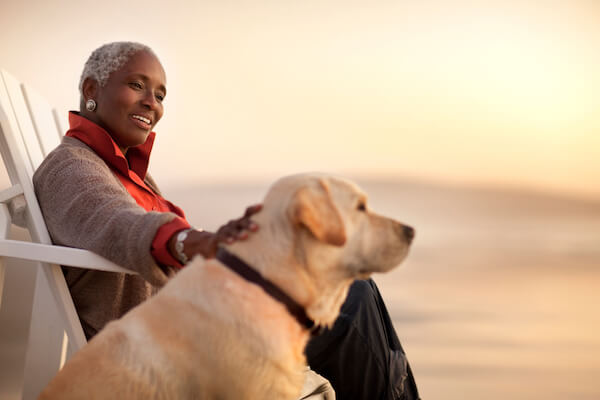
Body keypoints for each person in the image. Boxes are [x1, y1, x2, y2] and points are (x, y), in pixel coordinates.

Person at [33, 41, 420, 400]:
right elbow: (117, 223)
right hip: (169, 347)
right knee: (349, 302)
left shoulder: (128, 173)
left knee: (349, 287)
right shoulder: (71, 168)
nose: (152, 103)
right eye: (137, 85)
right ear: (91, 90)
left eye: (161, 95)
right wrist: (190, 242)